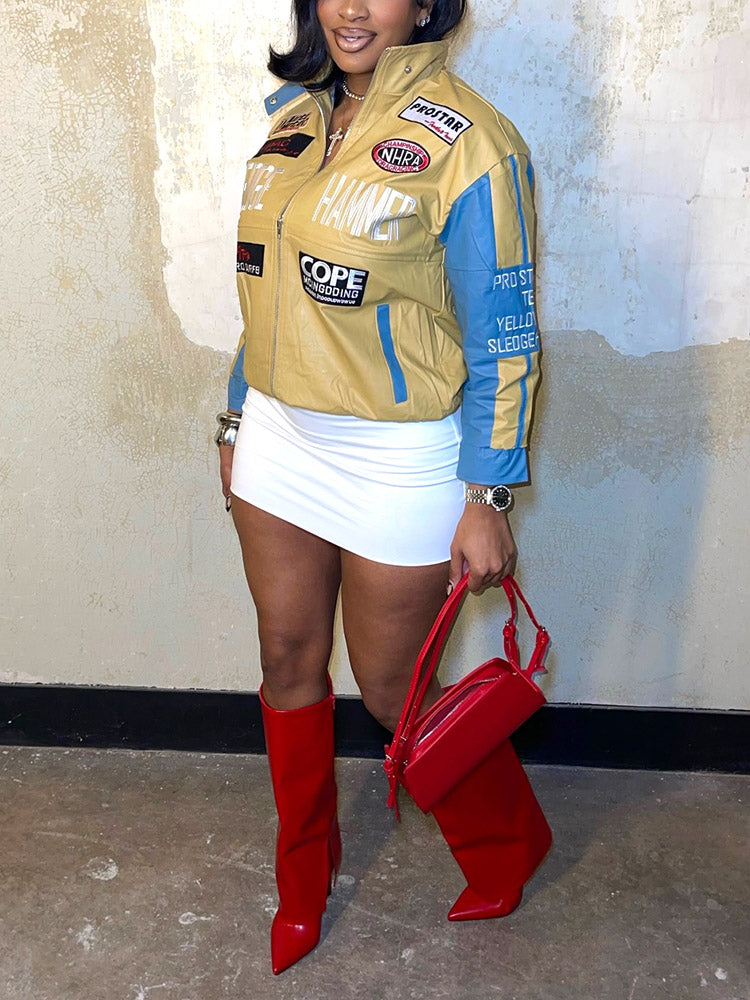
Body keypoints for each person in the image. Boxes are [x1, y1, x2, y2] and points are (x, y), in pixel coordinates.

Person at [216, 0, 551, 975]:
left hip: (399, 454)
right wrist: (236, 418)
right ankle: (302, 878)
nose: (354, 7)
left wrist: (488, 496)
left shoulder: (476, 143)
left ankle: (509, 843)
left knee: (391, 689)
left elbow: (506, 337)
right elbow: (266, 293)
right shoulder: (294, 118)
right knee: (286, 657)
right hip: (280, 435)